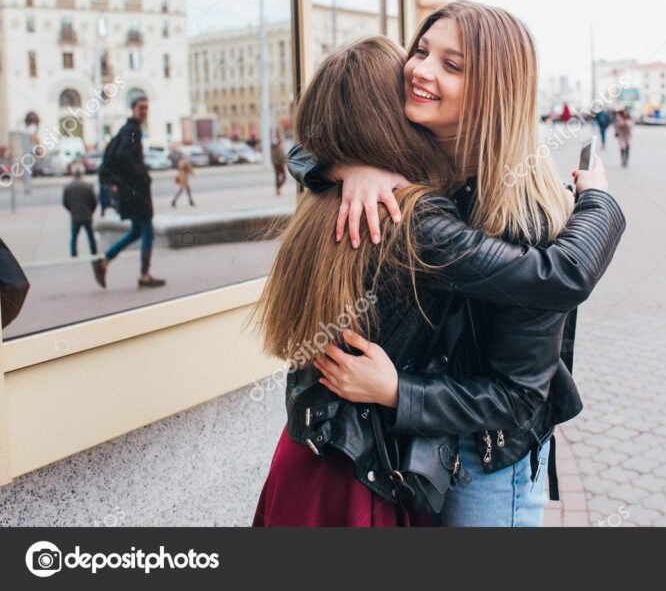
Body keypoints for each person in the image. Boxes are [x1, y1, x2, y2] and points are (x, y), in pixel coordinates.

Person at [252, 37, 623, 527]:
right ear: (394, 119)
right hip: (364, 470)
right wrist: (599, 201)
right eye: (419, 58)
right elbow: (562, 277)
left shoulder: (329, 203)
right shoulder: (410, 214)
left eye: (449, 65)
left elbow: (306, 141)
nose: (422, 75)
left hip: (312, 458)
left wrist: (343, 164)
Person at [93, 95, 165, 288]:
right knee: (147, 231)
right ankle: (144, 275)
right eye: (141, 107)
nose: (144, 111)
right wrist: (141, 173)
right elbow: (123, 155)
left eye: (146, 108)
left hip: (132, 189)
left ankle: (104, 261)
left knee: (136, 231)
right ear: (133, 109)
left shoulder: (129, 130)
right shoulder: (132, 131)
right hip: (136, 191)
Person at [63, 165, 98, 258]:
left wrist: (72, 210)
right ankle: (94, 253)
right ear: (82, 174)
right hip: (87, 215)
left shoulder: (68, 187)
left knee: (74, 237)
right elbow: (94, 201)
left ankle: (74, 255)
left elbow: (65, 202)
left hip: (75, 216)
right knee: (91, 237)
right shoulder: (88, 186)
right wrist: (91, 211)